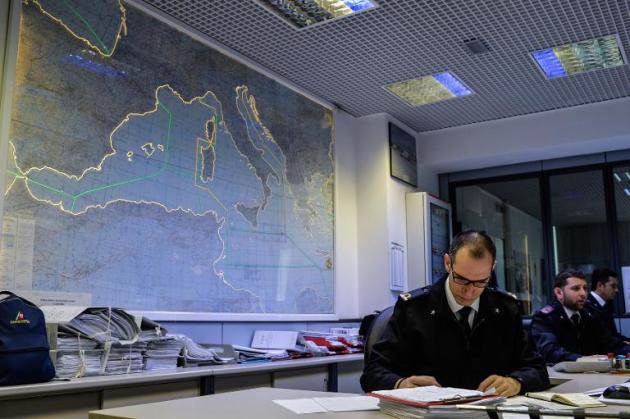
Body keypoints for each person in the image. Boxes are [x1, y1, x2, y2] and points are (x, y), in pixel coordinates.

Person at [360, 230, 549, 396]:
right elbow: (372, 372)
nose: (470, 291)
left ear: (491, 269)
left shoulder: (506, 310)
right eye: (462, 279)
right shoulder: (413, 309)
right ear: (447, 263)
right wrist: (400, 384)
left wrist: (515, 382)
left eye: (481, 281)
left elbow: (537, 369)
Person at [530, 270, 630, 365]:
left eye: (585, 288)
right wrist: (582, 360)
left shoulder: (589, 315)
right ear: (559, 292)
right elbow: (550, 351)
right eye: (576, 288)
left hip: (592, 374)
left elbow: (611, 343)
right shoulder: (544, 318)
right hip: (561, 376)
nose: (583, 294)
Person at [585, 268, 629, 343]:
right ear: (599, 285)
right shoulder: (587, 306)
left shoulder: (605, 305)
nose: (616, 290)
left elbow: (613, 334)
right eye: (613, 286)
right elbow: (602, 339)